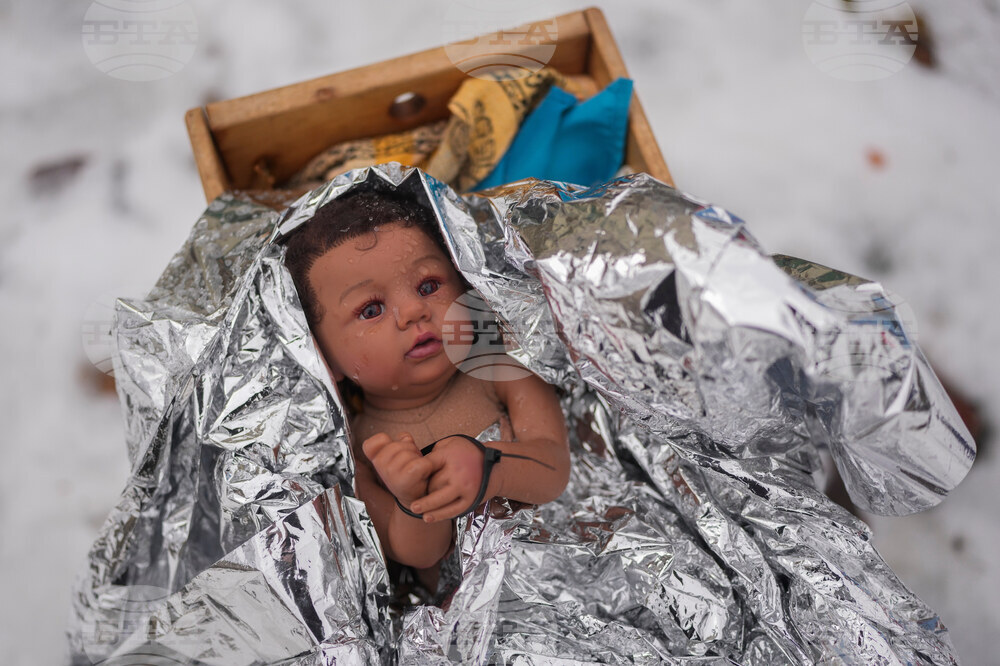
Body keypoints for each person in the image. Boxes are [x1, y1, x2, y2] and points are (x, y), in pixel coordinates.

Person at [283, 190, 570, 594]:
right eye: (371, 309)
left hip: (553, 568)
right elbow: (418, 556)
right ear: (324, 360)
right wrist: (412, 502)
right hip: (470, 603)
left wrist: (492, 468)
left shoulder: (498, 369)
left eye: (428, 285)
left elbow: (554, 467)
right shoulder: (363, 446)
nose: (414, 311)